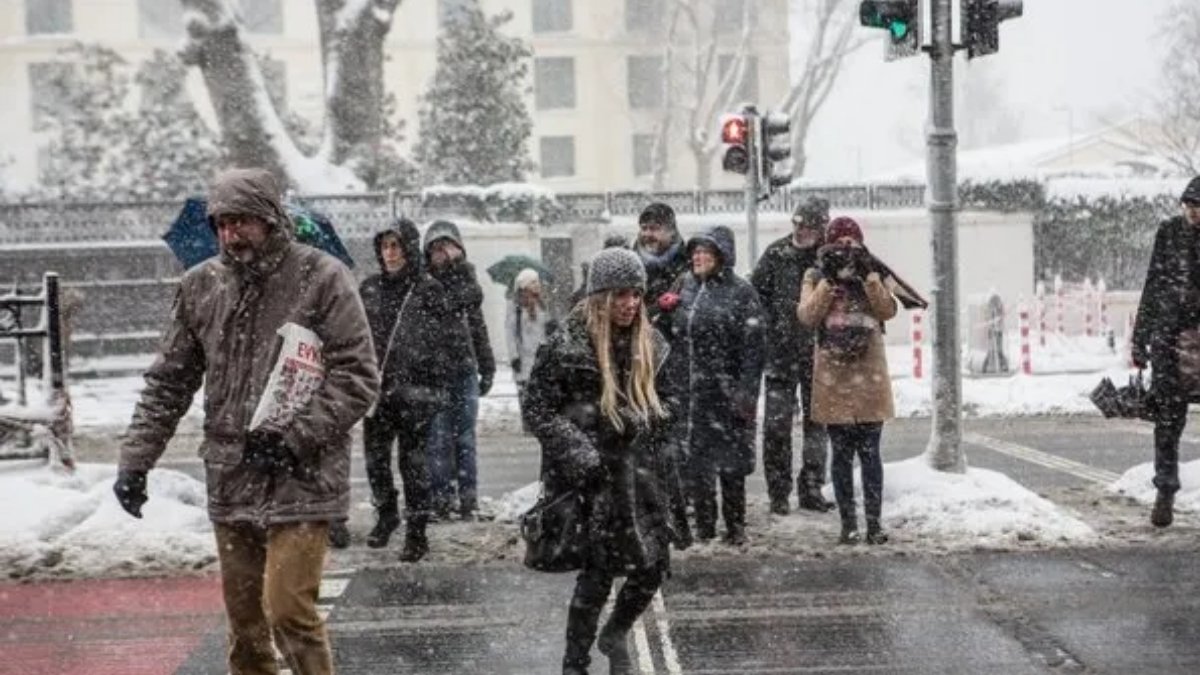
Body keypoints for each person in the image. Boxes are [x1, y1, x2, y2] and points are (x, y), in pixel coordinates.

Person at [112, 168, 379, 675]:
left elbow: (358, 376)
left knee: (288, 612)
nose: (232, 234)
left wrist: (294, 439)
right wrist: (135, 461)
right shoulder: (200, 287)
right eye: (223, 224)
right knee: (247, 629)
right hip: (231, 479)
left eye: (243, 222)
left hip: (303, 478)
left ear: (272, 220)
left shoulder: (321, 277)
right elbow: (168, 383)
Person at [522, 247, 686, 675]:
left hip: (644, 477)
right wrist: (582, 447)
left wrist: (645, 419)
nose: (630, 304)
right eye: (619, 295)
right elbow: (538, 410)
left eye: (636, 294)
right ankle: (574, 663)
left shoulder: (654, 344)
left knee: (651, 569)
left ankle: (614, 633)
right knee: (596, 578)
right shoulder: (566, 345)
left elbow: (673, 405)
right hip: (594, 480)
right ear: (599, 297)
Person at [359, 218, 467, 560]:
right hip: (378, 390)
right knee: (375, 460)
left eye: (396, 245)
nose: (390, 253)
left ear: (408, 247)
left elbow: (450, 337)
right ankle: (387, 512)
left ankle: (417, 530)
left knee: (413, 463)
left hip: (415, 392)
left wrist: (436, 380)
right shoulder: (370, 288)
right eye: (385, 246)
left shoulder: (427, 288)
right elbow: (357, 334)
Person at [797, 216, 898, 546]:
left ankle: (874, 523)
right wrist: (828, 282)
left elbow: (887, 310)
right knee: (841, 456)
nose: (846, 247)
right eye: (839, 241)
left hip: (869, 377)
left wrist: (869, 275)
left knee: (871, 455)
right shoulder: (815, 273)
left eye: (851, 241)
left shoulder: (873, 268)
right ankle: (848, 524)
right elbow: (807, 315)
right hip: (834, 378)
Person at [664, 226, 764, 545]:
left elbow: (754, 348)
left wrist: (746, 394)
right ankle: (704, 529)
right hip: (689, 394)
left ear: (722, 256)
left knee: (731, 465)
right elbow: (670, 337)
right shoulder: (685, 286)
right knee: (697, 465)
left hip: (726, 394)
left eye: (706, 251)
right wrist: (663, 313)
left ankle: (735, 528)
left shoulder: (741, 292)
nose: (698, 257)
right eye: (695, 251)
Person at [752, 197, 834, 515]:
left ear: (821, 228)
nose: (801, 232)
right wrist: (770, 328)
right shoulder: (776, 254)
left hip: (819, 354)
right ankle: (778, 492)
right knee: (776, 427)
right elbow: (756, 296)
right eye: (798, 225)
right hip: (780, 354)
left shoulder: (828, 258)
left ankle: (812, 486)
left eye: (809, 227)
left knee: (818, 426)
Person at [1131, 175, 1200, 527]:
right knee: (1168, 420)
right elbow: (1154, 283)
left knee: (1171, 418)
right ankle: (1166, 491)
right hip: (1169, 341)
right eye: (1189, 206)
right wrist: (1139, 336)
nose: (1194, 213)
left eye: (1199, 208)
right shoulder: (1169, 233)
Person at [423, 220, 496, 519]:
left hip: (464, 369)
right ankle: (441, 498)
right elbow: (435, 310)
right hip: (434, 372)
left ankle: (468, 497)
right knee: (438, 438)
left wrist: (487, 366)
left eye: (448, 246)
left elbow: (478, 328)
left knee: (465, 438)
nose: (443, 253)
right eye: (436, 248)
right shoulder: (424, 284)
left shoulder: (467, 280)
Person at [506, 267, 553, 417]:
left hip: (541, 354)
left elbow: (547, 328)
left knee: (541, 390)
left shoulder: (543, 304)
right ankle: (528, 420)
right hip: (523, 355)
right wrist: (514, 356)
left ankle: (538, 418)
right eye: (533, 282)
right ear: (524, 285)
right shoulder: (515, 306)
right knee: (525, 390)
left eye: (537, 281)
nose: (537, 285)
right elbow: (510, 332)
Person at [633, 202, 689, 319]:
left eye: (654, 228)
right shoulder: (630, 264)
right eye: (644, 228)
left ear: (672, 232)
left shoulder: (689, 265)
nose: (647, 234)